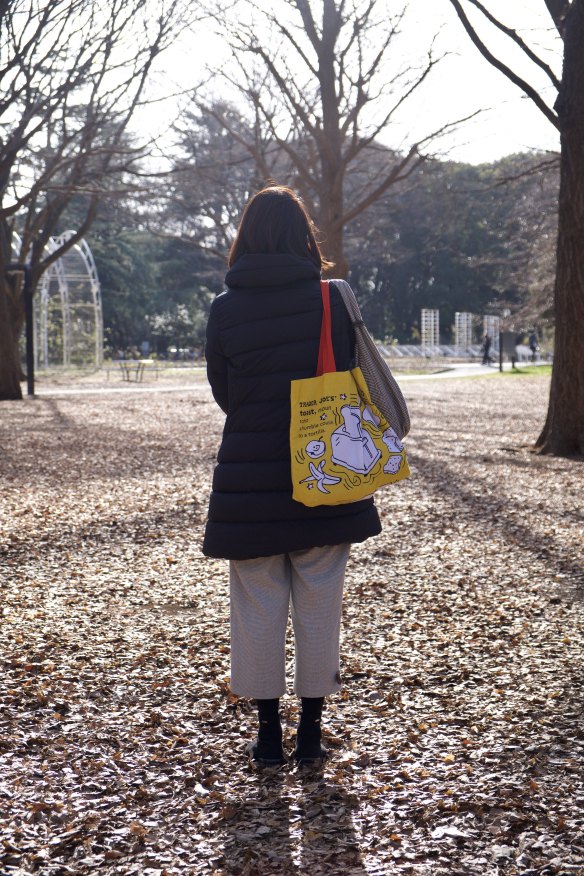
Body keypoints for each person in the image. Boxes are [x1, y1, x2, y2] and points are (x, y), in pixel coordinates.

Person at [203, 186, 382, 766]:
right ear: (303, 234)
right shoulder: (331, 299)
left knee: (256, 604)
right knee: (319, 601)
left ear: (246, 237)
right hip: (324, 473)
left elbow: (224, 394)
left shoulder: (225, 309)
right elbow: (353, 375)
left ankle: (266, 736)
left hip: (249, 483)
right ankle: (310, 731)